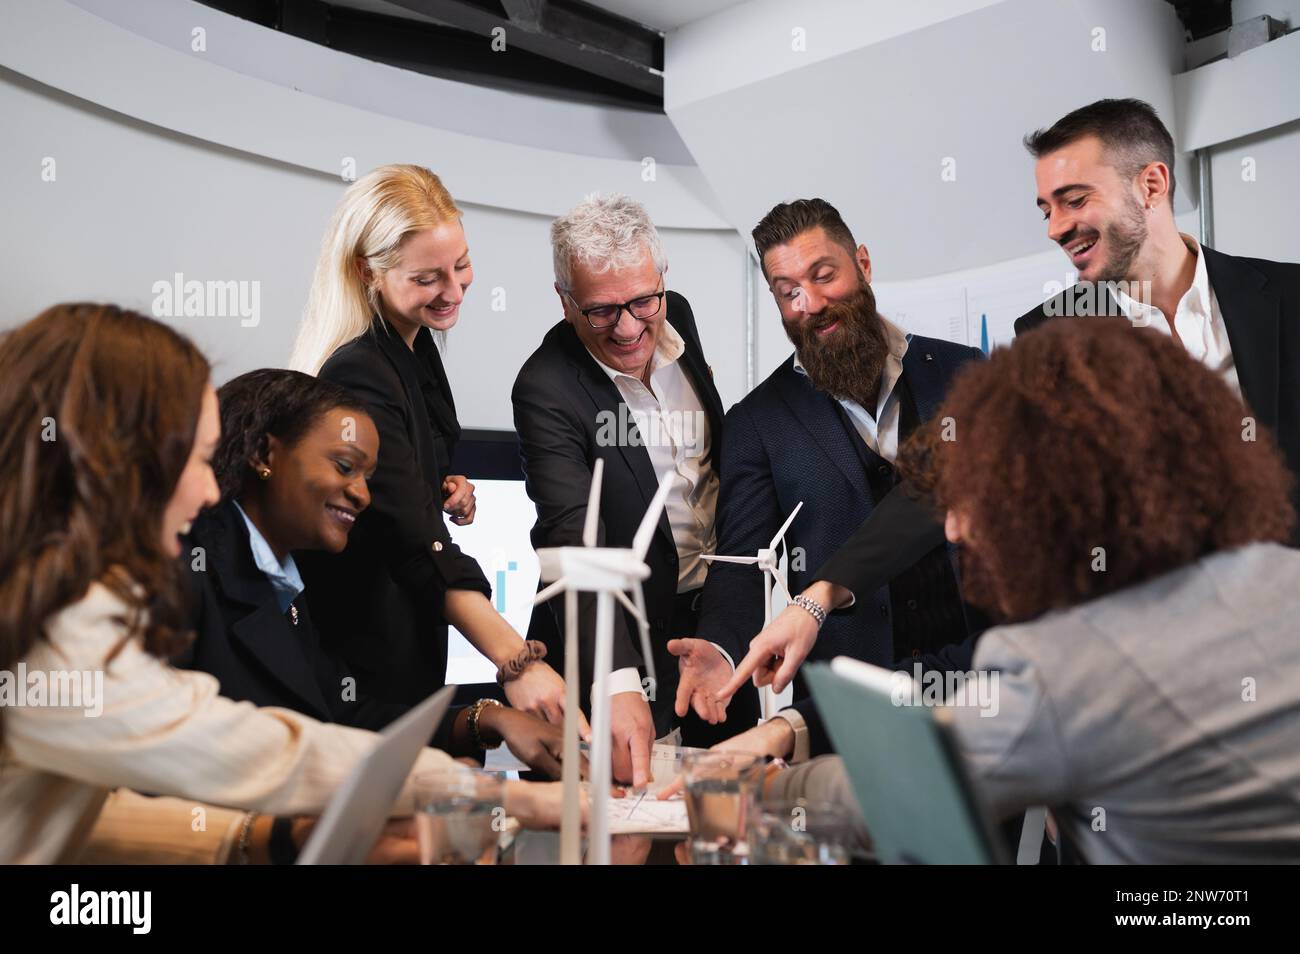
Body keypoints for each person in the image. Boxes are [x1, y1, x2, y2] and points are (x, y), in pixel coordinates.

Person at [726, 96, 1300, 699]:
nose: (1055, 227)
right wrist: (817, 598)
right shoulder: (1050, 338)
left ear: (1152, 184)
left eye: (1074, 200)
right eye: (1046, 209)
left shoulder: (1286, 298)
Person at [0, 303, 567, 864]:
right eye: (194, 460)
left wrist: (270, 840)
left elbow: (88, 812)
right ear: (113, 460)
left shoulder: (65, 597)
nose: (205, 492)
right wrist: (493, 795)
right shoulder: (77, 623)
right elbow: (251, 749)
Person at [767, 318, 1300, 863]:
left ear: (1050, 498)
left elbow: (890, 798)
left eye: (979, 491)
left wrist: (767, 785)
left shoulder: (1062, 671)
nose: (951, 529)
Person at [289, 165, 579, 735]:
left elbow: (398, 482)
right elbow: (413, 543)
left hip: (409, 633)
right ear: (365, 271)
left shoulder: (413, 346)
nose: (453, 290)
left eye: (461, 265)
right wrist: (516, 662)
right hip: (366, 648)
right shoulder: (360, 370)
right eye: (428, 277)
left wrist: (440, 482)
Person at [178, 368, 575, 782]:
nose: (363, 495)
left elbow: (344, 713)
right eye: (345, 466)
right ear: (264, 454)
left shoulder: (282, 588)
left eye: (367, 478)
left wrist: (486, 720)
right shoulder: (188, 575)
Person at [697, 198, 985, 763]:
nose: (811, 304)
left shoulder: (965, 371)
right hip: (856, 703)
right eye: (787, 292)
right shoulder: (757, 422)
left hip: (983, 676)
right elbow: (741, 560)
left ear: (864, 264)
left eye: (823, 275)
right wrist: (720, 645)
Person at [512, 193, 760, 789]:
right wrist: (617, 681)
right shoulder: (545, 387)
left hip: (712, 625)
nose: (627, 328)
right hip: (611, 632)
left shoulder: (682, 321)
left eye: (643, 301)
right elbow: (573, 536)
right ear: (565, 300)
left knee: (723, 821)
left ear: (662, 280)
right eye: (600, 311)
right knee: (623, 834)